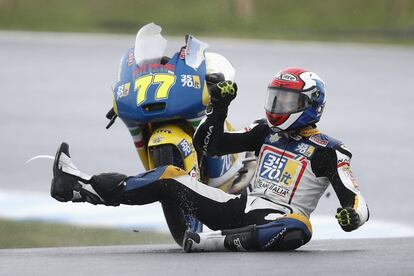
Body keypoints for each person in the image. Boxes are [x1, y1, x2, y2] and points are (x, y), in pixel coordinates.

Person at [50, 67, 369, 252]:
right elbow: (209, 145)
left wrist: (351, 217)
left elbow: (357, 203)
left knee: (301, 226)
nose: (278, 107)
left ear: (311, 105)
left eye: (286, 100)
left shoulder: (329, 150)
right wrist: (220, 108)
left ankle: (211, 242)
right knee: (169, 175)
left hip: (278, 222)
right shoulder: (264, 131)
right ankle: (82, 187)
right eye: (275, 98)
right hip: (238, 208)